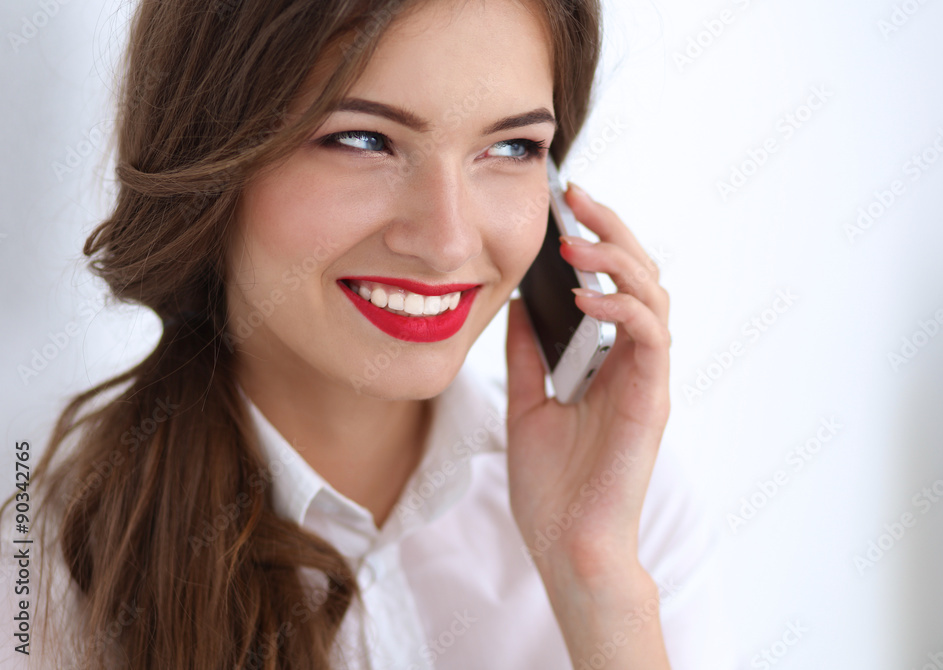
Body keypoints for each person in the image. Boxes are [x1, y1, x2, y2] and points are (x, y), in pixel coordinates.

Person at [0, 0, 736, 668]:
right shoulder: (37, 569)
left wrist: (595, 580)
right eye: (362, 139)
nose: (448, 242)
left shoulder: (621, 510)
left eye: (512, 148)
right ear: (209, 165)